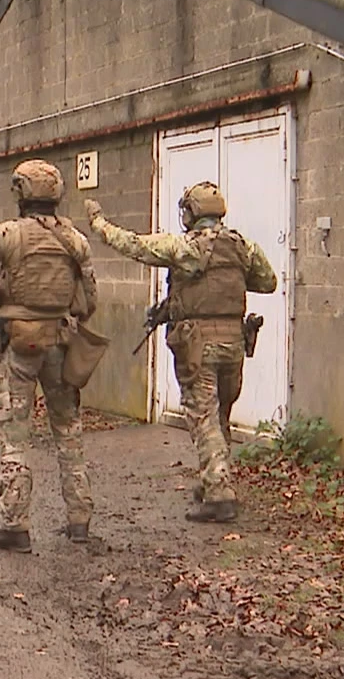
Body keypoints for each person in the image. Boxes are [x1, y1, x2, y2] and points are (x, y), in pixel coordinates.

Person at [85, 183, 277, 524]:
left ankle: (219, 495)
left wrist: (100, 225)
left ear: (191, 212)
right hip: (234, 342)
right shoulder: (242, 246)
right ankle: (213, 479)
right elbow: (267, 282)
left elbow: (136, 246)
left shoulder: (184, 247)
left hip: (199, 345)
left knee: (203, 417)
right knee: (219, 416)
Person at [0, 159, 100, 552]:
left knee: (14, 436)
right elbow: (90, 300)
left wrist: (3, 284)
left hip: (18, 346)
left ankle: (15, 525)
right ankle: (79, 522)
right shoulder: (76, 240)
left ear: (21, 193)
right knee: (69, 433)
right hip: (61, 345)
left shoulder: (7, 235)